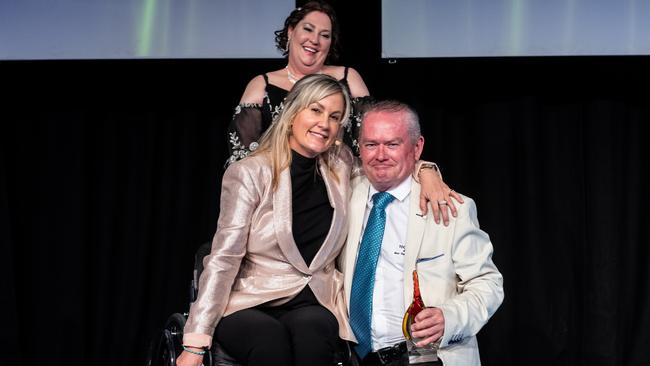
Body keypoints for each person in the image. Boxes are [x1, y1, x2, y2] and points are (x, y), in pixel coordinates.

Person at [226, 0, 461, 224]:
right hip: (276, 205)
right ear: (290, 32)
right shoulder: (262, 85)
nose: (315, 40)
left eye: (325, 35)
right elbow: (243, 161)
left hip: (342, 198)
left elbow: (378, 140)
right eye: (308, 29)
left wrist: (425, 169)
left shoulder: (348, 79)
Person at [178, 74, 356, 366]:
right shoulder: (249, 173)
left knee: (315, 334)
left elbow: (385, 167)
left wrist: (426, 171)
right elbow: (224, 257)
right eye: (315, 110)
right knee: (269, 342)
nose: (324, 123)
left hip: (313, 299)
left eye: (334, 116)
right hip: (251, 299)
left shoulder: (341, 163)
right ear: (292, 112)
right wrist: (196, 341)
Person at [341, 100, 504, 366]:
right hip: (354, 357)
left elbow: (488, 284)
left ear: (417, 148)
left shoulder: (450, 207)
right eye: (371, 144)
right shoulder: (345, 197)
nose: (380, 155)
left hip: (426, 356)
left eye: (393, 144)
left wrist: (449, 317)